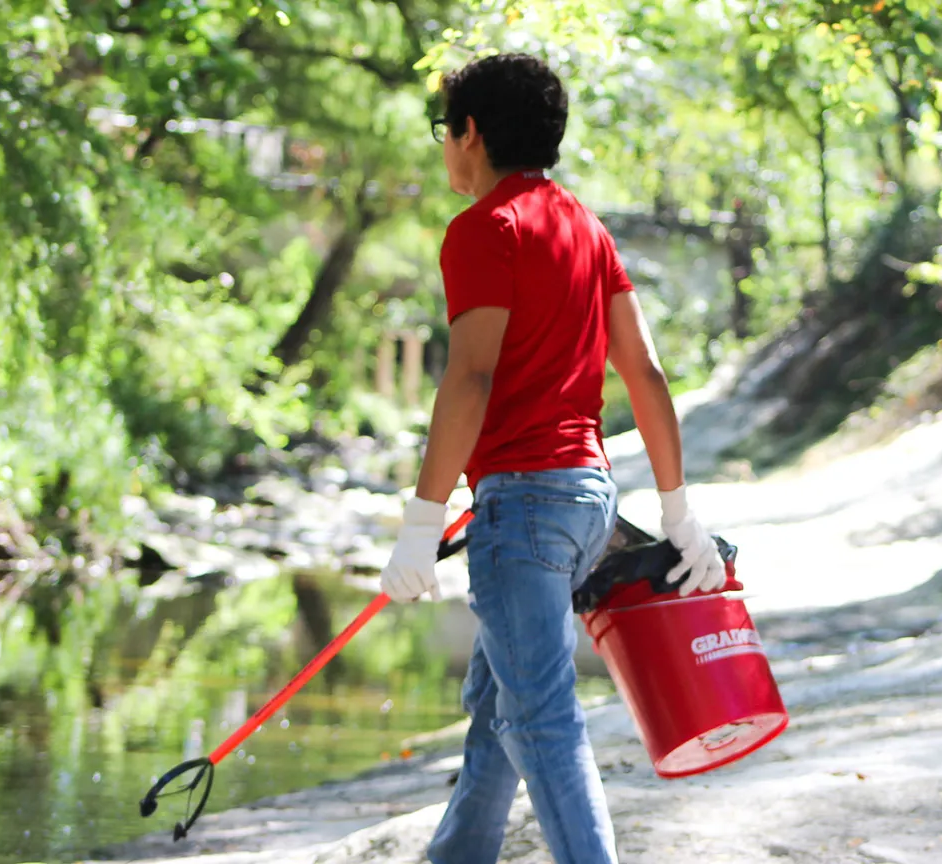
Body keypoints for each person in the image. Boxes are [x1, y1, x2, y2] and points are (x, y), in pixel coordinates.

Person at [379, 52, 728, 864]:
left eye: (444, 131)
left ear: (470, 132)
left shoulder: (482, 230)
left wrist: (420, 522)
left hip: (527, 508)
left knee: (541, 718)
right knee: (497, 700)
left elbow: (470, 376)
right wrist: (678, 513)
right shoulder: (584, 227)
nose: (444, 149)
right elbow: (643, 370)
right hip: (589, 499)